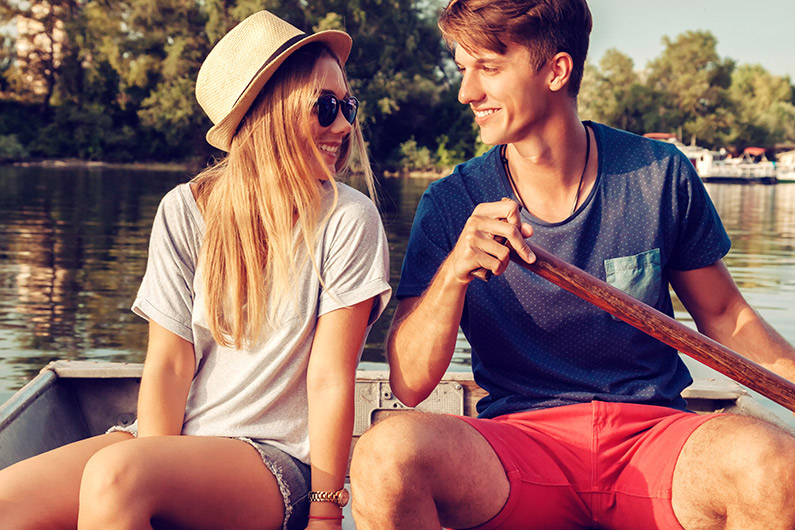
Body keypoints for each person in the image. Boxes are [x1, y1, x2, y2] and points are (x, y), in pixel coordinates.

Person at [349, 1, 795, 529]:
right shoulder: (451, 202)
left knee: (775, 467)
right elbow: (409, 385)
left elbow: (724, 316)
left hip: (655, 441)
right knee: (384, 457)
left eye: (488, 68)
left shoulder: (658, 174)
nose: (467, 92)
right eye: (463, 68)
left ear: (557, 70)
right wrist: (453, 273)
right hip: (518, 450)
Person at [0, 10, 391, 530]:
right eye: (325, 107)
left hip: (276, 458)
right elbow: (168, 365)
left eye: (347, 105)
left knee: (117, 478)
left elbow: (329, 378)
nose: (343, 125)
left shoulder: (348, 219)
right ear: (269, 114)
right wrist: (153, 461)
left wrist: (325, 511)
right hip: (174, 441)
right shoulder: (184, 210)